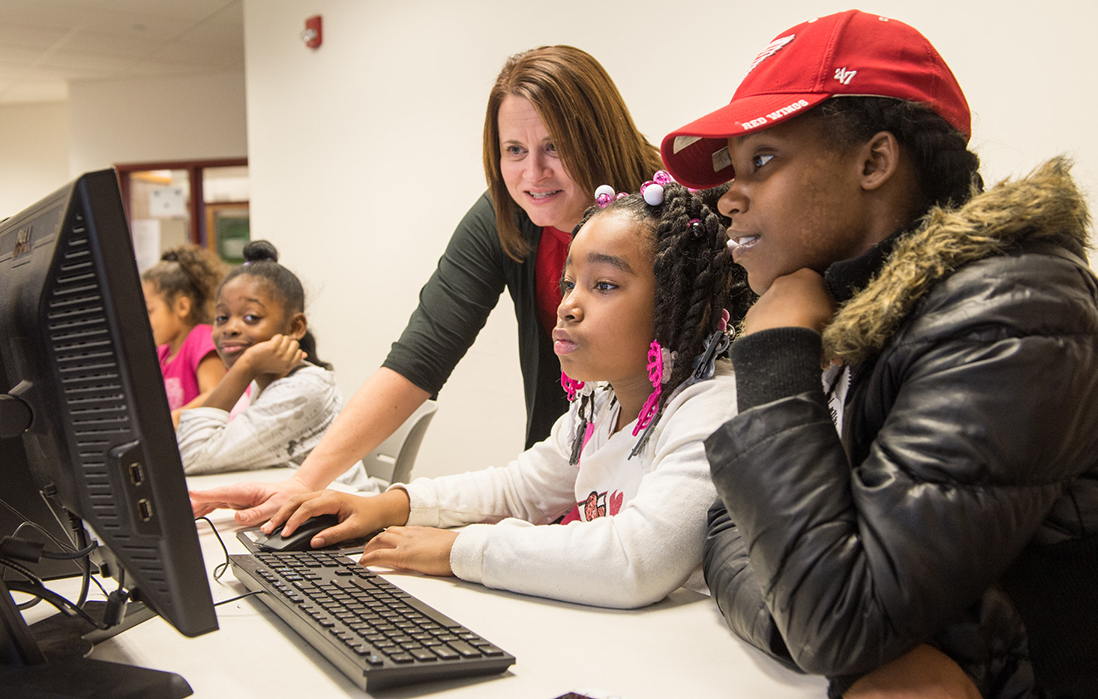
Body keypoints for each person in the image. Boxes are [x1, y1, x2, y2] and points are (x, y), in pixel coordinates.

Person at [660, 10, 1098, 698]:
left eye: (762, 161)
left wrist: (771, 356)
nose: (726, 201)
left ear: (875, 161)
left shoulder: (1011, 313)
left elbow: (837, 616)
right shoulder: (860, 317)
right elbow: (728, 526)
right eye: (730, 172)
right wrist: (797, 617)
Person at [190, 46, 663, 524]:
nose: (533, 173)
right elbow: (421, 357)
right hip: (565, 466)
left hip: (662, 466)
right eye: (514, 150)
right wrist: (301, 484)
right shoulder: (506, 215)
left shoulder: (667, 209)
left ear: (596, 138)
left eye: (555, 146)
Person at [262, 176, 750, 608]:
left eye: (603, 285)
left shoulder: (710, 409)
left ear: (677, 302)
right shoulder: (600, 407)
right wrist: (389, 506)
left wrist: (456, 550)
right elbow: (520, 489)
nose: (568, 307)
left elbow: (634, 560)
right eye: (568, 284)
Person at [177, 240, 368, 489]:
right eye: (222, 318)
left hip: (340, 519)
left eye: (250, 317)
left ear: (294, 328)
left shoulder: (302, 390)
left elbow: (191, 456)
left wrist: (247, 364)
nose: (230, 329)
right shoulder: (270, 384)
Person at [141, 244, 227, 425]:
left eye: (149, 311)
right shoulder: (162, 353)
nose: (144, 319)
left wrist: (173, 419)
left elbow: (217, 393)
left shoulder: (201, 338)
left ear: (182, 307)